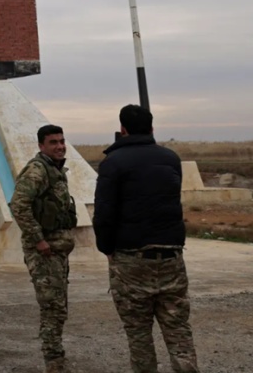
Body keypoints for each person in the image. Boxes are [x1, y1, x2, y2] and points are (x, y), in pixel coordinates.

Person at [93, 105, 198, 373]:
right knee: (178, 330)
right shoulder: (170, 159)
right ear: (152, 128)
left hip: (132, 259)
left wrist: (106, 247)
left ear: (122, 129)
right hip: (171, 256)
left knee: (139, 333)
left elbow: (104, 212)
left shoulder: (112, 163)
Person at [10, 124, 78, 373]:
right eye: (53, 142)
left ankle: (56, 360)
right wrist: (39, 240)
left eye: (62, 141)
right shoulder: (37, 170)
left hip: (57, 252)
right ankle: (54, 363)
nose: (60, 146)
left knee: (58, 307)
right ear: (41, 146)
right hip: (44, 253)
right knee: (52, 307)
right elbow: (18, 205)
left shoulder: (55, 170)